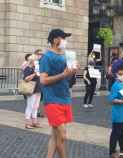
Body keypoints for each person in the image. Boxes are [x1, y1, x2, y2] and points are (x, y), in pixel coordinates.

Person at [40, 29, 77, 158]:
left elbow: (67, 77)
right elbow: (43, 80)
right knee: (62, 135)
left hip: (64, 97)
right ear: (56, 40)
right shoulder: (46, 57)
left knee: (55, 136)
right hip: (52, 100)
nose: (65, 41)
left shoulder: (65, 55)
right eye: (63, 38)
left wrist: (71, 73)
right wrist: (63, 74)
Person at [23, 54, 41, 129]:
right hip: (31, 89)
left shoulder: (36, 68)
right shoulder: (28, 68)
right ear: (32, 61)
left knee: (36, 106)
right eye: (36, 60)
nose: (37, 61)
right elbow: (26, 79)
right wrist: (34, 74)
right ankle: (27, 123)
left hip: (38, 89)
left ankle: (34, 122)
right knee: (30, 106)